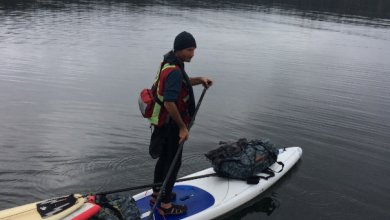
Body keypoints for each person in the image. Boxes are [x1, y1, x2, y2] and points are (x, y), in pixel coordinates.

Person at [149, 31, 213, 216]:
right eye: (189, 50)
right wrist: (183, 128)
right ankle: (166, 206)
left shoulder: (168, 63)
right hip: (172, 126)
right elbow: (169, 101)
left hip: (161, 123)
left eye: (194, 49)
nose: (192, 54)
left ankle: (156, 195)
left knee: (163, 161)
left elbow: (181, 82)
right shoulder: (175, 70)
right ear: (178, 50)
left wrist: (199, 79)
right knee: (172, 164)